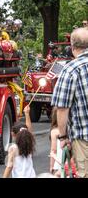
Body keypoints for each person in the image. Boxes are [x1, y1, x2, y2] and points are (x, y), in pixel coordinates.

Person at [51, 27, 88, 178]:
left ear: (72, 47)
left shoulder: (70, 70)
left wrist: (63, 137)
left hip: (83, 138)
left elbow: (62, 108)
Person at [3, 105, 36, 178]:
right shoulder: (29, 145)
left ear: (13, 134)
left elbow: (9, 166)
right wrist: (27, 114)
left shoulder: (13, 148)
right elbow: (30, 132)